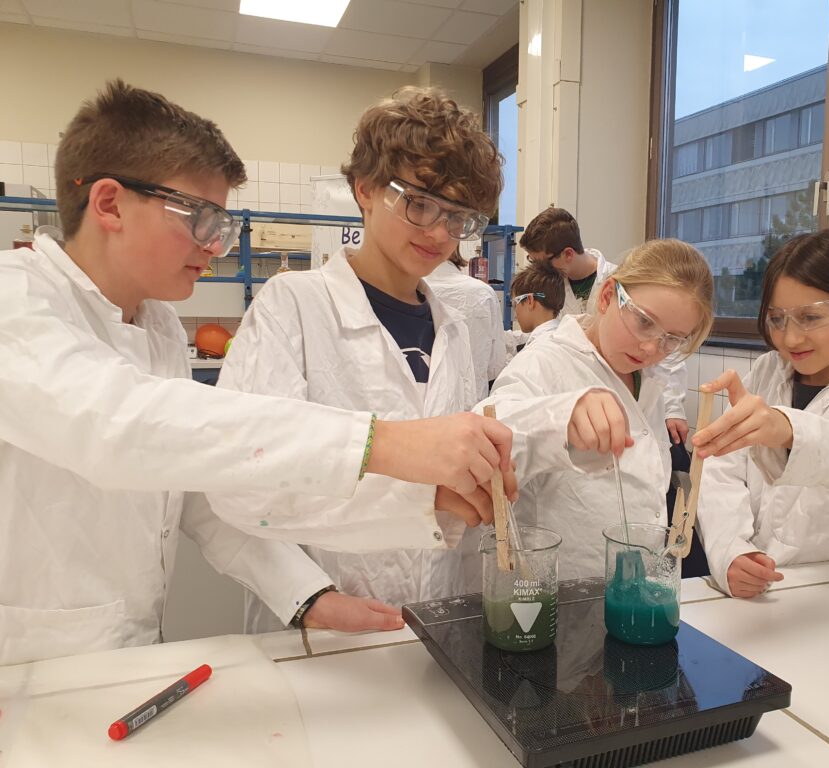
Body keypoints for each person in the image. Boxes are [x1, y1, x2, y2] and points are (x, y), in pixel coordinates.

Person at [0, 81, 514, 665]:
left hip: (125, 654)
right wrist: (383, 442)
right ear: (110, 203)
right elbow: (114, 425)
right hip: (24, 666)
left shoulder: (157, 326)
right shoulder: (14, 297)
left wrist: (305, 593)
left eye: (220, 223)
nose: (215, 246)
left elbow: (202, 486)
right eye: (199, 218)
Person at [209, 87, 509, 631]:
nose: (439, 233)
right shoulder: (292, 306)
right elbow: (242, 478)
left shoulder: (454, 329)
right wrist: (306, 597)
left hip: (429, 624)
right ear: (365, 189)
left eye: (459, 217)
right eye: (420, 203)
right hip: (319, 626)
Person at [691, 230, 829, 599]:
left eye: (810, 317)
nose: (791, 339)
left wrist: (789, 430)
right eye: (777, 319)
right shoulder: (767, 370)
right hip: (749, 591)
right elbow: (721, 473)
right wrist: (731, 551)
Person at [476, 239, 714, 580]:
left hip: (632, 587)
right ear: (607, 297)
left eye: (672, 339)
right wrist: (560, 416)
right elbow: (485, 433)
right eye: (644, 321)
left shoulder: (646, 379)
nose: (651, 347)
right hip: (559, 589)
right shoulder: (546, 361)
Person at [521, 207, 691, 448]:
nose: (539, 270)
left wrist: (673, 408)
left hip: (631, 391)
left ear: (567, 254)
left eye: (542, 262)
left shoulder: (625, 280)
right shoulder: (554, 288)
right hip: (577, 398)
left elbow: (665, 342)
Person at [424, 246, 506, 401]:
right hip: (473, 403)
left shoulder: (408, 290)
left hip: (420, 407)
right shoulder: (484, 292)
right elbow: (495, 365)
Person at [509, 263, 565, 345]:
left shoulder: (535, 350)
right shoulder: (564, 337)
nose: (515, 315)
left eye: (515, 304)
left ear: (529, 301)